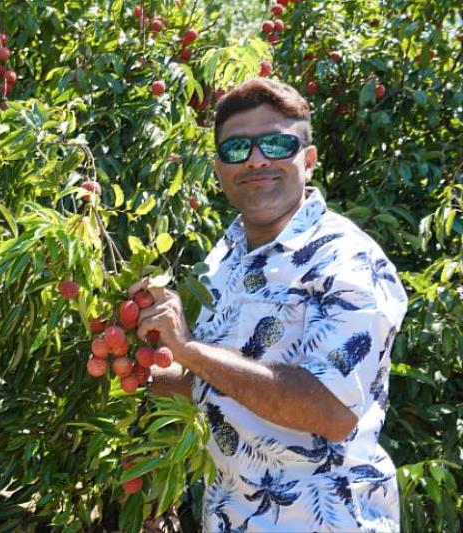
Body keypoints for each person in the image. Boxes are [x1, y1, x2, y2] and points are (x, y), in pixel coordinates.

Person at [133, 79, 406, 532]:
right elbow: (222, 382)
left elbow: (331, 412)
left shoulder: (347, 260)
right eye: (238, 148)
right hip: (229, 517)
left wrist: (188, 350)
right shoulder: (226, 256)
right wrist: (137, 362)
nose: (257, 159)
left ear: (309, 160)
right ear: (219, 167)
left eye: (277, 143)